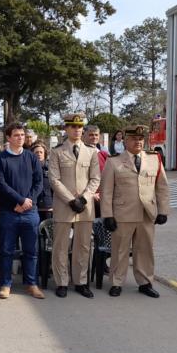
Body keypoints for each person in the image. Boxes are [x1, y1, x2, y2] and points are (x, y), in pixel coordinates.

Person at [101, 125, 170, 298]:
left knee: (145, 249)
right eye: (133, 139)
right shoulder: (114, 161)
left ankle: (145, 282)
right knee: (120, 250)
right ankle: (117, 282)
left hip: (146, 213)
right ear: (125, 140)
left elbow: (162, 187)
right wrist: (107, 215)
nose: (138, 142)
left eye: (141, 139)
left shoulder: (154, 159)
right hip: (123, 214)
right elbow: (106, 191)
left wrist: (163, 210)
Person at [48, 114, 101, 298]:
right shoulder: (57, 151)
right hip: (64, 205)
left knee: (84, 245)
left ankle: (81, 281)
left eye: (80, 127)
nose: (77, 130)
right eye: (73, 127)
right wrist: (71, 200)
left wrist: (84, 199)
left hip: (85, 206)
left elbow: (95, 178)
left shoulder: (92, 152)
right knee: (61, 245)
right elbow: (54, 179)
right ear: (66, 129)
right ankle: (61, 282)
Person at [0, 123, 43, 299]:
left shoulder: (31, 157)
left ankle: (32, 284)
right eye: (16, 135)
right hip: (9, 212)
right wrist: (20, 200)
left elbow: (39, 182)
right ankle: (6, 284)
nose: (20, 137)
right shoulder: (0, 158)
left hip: (30, 212)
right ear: (8, 138)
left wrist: (28, 201)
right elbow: (0, 183)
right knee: (6, 250)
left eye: (22, 134)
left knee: (31, 251)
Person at [30, 141, 53, 221]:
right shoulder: (28, 169)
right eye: (36, 152)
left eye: (41, 152)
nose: (39, 154)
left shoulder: (51, 168)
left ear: (45, 154)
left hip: (49, 208)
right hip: (33, 207)